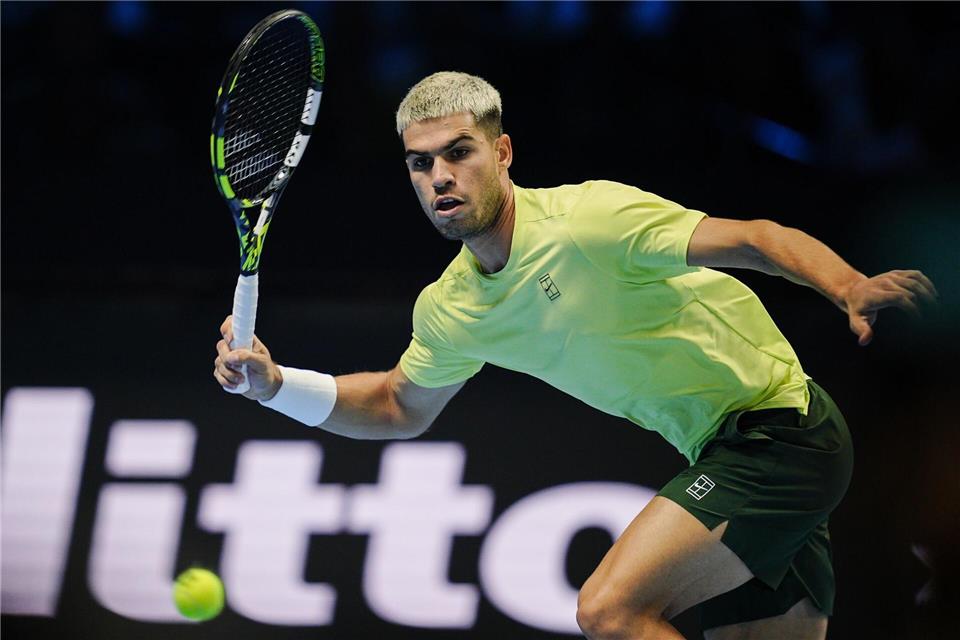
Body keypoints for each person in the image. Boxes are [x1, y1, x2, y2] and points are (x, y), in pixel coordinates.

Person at [213, 72, 937, 639]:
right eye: (419, 163)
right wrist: (276, 386)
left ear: (501, 153)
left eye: (458, 153)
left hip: (782, 433)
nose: (439, 177)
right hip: (726, 453)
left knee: (609, 611)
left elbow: (753, 236)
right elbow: (399, 406)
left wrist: (846, 284)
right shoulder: (452, 308)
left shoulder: (591, 219)